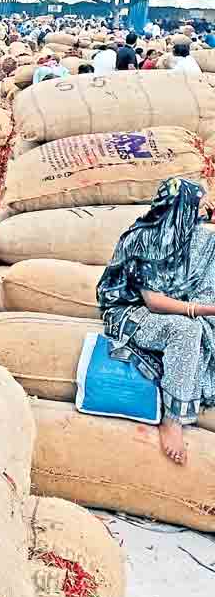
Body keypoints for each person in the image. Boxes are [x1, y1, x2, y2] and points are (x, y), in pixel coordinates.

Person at [98, 178, 215, 465]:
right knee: (186, 331)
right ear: (180, 207)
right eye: (198, 205)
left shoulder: (191, 236)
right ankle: (172, 420)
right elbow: (153, 301)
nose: (205, 210)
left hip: (181, 306)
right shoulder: (143, 240)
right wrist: (202, 311)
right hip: (131, 312)